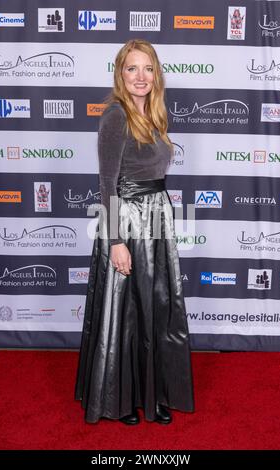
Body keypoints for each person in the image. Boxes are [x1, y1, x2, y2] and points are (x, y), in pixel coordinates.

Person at [75, 39, 194, 425]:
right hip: (126, 220)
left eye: (147, 68)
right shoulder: (115, 116)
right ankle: (122, 399)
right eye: (132, 69)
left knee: (156, 307)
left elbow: (156, 177)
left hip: (157, 218)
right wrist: (115, 242)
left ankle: (153, 393)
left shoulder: (158, 114)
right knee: (125, 313)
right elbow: (106, 183)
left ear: (156, 73)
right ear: (120, 74)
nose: (140, 77)